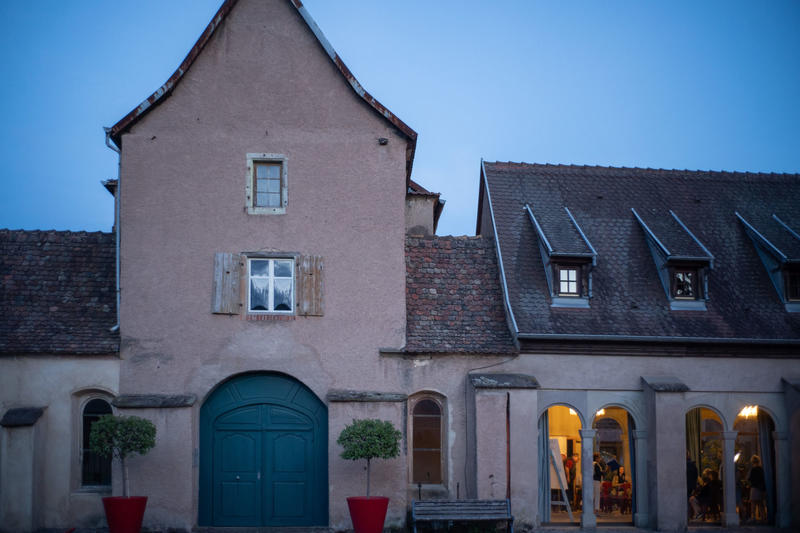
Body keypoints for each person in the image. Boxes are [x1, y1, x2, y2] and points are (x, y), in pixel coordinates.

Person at [748, 455, 766, 523]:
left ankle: (753, 517)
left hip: (754, 487)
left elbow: (750, 478)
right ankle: (763, 517)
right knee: (760, 503)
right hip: (760, 488)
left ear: (752, 462)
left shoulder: (753, 469)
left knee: (753, 503)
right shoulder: (761, 469)